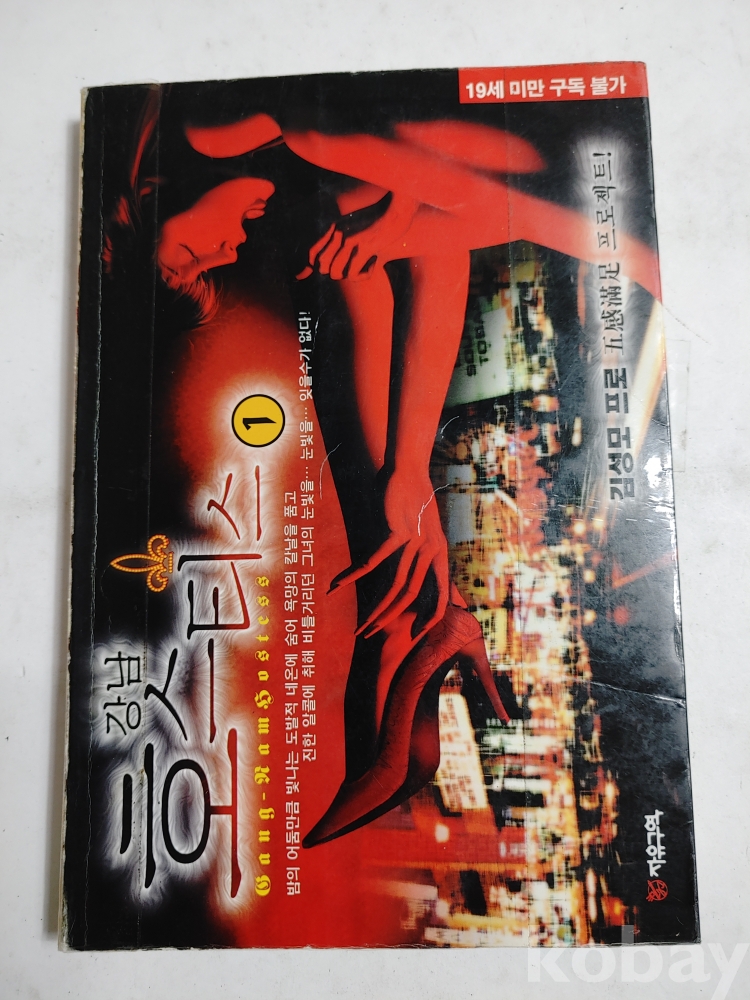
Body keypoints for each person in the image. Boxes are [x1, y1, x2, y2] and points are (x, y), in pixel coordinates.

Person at [155, 112, 661, 844]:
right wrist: (406, 471)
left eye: (186, 254)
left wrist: (391, 221)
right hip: (616, 228)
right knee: (338, 281)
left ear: (144, 204)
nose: (222, 251)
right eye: (204, 267)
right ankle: (407, 633)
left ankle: (412, 634)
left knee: (335, 275)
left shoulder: (238, 132)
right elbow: (424, 261)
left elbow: (431, 224)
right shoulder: (300, 182)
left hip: (630, 228)